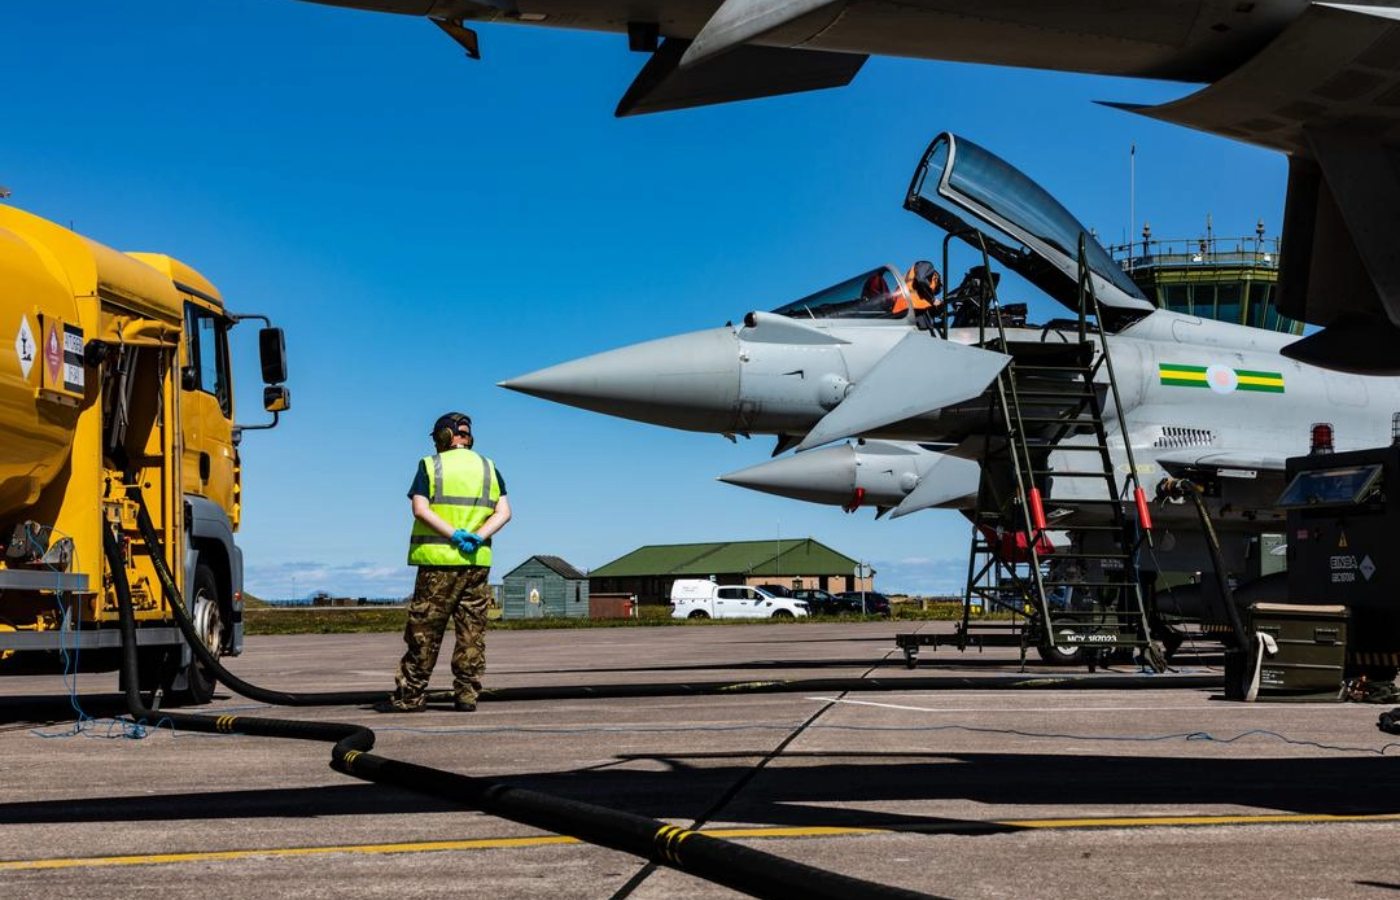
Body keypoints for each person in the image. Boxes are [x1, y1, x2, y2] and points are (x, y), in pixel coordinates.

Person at [376, 412, 511, 713]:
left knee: (425, 631)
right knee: (471, 632)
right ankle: (466, 695)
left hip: (438, 563)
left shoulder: (431, 465)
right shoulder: (489, 468)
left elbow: (420, 509)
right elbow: (505, 512)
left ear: (443, 436)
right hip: (476, 564)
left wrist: (454, 535)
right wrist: (476, 537)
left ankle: (410, 696)